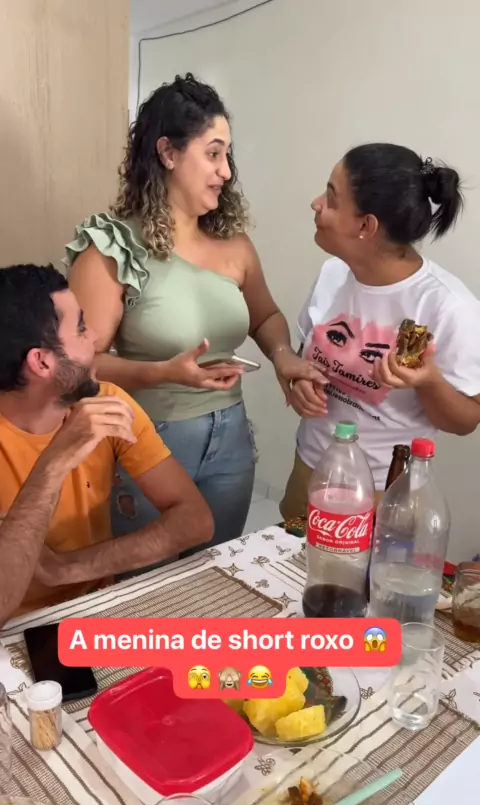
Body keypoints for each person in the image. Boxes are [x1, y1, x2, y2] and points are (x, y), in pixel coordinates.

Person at [64, 73, 323, 555]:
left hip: (231, 440)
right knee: (146, 584)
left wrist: (283, 356)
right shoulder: (113, 246)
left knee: (217, 571)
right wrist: (163, 372)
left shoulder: (234, 244)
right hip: (148, 441)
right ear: (167, 153)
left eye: (227, 156)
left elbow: (265, 316)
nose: (226, 171)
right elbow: (79, 364)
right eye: (213, 154)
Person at [0, 264, 214, 626]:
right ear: (42, 362)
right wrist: (55, 461)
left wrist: (67, 569)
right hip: (14, 629)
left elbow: (195, 521)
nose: (96, 337)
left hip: (96, 608)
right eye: (81, 328)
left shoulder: (108, 403)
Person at [280, 143, 480, 520]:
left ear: (366, 226)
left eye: (331, 197)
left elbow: (466, 421)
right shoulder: (333, 274)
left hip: (381, 491)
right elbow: (304, 354)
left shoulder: (448, 306)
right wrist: (300, 381)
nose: (315, 203)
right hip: (310, 468)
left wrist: (428, 381)